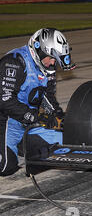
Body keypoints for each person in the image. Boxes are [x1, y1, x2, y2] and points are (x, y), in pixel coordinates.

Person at [0, 28, 76, 176]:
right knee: (6, 167)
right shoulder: (14, 62)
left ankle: (24, 143)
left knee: (70, 142)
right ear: (38, 50)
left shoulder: (48, 68)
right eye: (51, 58)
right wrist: (33, 116)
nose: (53, 62)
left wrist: (58, 116)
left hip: (28, 121)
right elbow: (5, 100)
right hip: (6, 121)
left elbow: (48, 96)